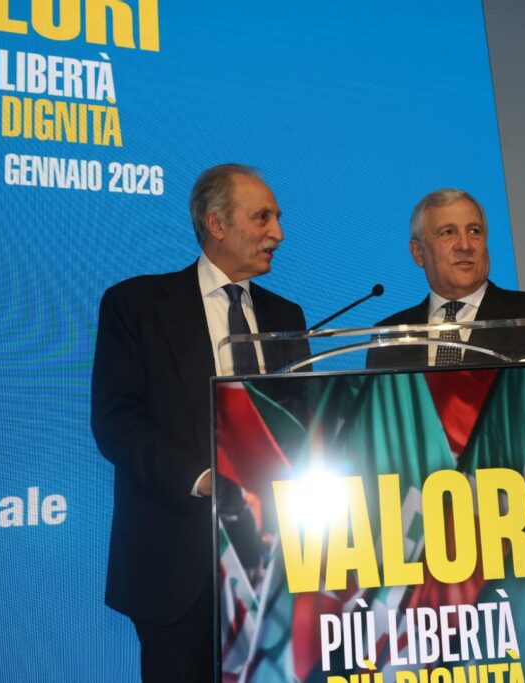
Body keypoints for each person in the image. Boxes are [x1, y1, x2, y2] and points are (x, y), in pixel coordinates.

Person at [90, 164, 308, 682]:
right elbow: (116, 421)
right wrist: (203, 478)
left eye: (277, 217)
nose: (278, 232)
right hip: (175, 563)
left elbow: (302, 422)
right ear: (217, 224)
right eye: (263, 217)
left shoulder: (287, 317)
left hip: (275, 566)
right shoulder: (137, 305)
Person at [367, 188, 525, 369]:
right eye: (448, 232)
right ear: (417, 252)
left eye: (474, 231)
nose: (465, 245)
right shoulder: (389, 336)